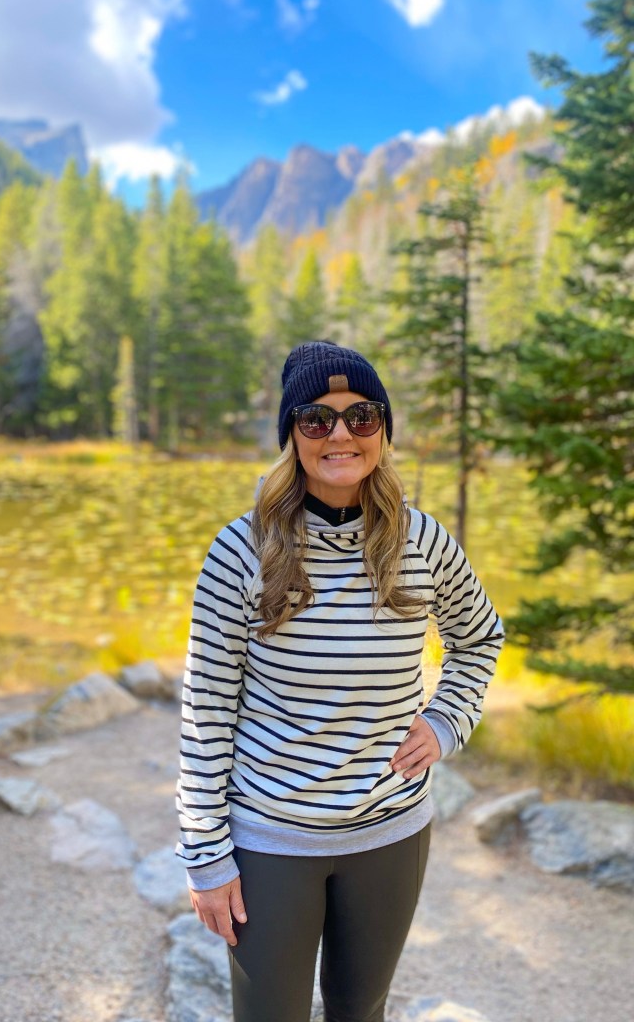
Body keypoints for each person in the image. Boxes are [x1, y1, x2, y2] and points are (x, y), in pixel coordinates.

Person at [176, 341, 504, 1022]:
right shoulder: (241, 550)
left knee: (361, 1011)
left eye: (361, 416)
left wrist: (446, 721)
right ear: (291, 435)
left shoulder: (422, 541)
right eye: (316, 419)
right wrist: (206, 854)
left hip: (390, 832)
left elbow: (478, 638)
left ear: (382, 429)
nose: (340, 435)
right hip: (271, 837)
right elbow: (206, 712)